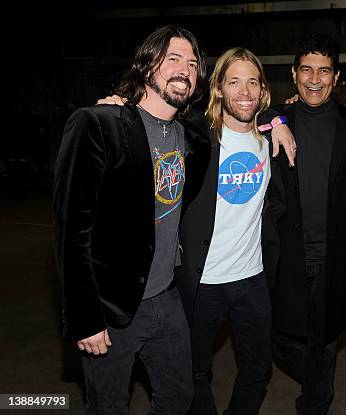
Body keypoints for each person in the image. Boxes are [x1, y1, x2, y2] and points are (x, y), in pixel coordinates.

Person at [53, 24, 207, 414]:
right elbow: (72, 232)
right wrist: (85, 317)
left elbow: (244, 106)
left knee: (179, 396)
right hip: (113, 306)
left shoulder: (191, 137)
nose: (184, 70)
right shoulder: (99, 124)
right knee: (108, 407)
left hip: (167, 296)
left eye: (191, 64)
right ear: (147, 64)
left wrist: (277, 123)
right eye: (173, 58)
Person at [264, 33, 346, 414]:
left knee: (326, 338)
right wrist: (272, 116)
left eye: (323, 71)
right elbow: (236, 112)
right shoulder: (274, 119)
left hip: (333, 258)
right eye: (306, 69)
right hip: (284, 255)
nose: (314, 78)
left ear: (336, 77)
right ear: (294, 74)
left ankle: (315, 404)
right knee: (281, 337)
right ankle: (314, 383)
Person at [176, 47, 276, 415]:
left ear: (263, 90)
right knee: (193, 371)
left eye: (252, 82)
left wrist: (279, 122)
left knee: (258, 368)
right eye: (234, 82)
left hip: (251, 279)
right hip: (202, 281)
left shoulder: (271, 141)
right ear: (219, 89)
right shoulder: (193, 140)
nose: (244, 91)